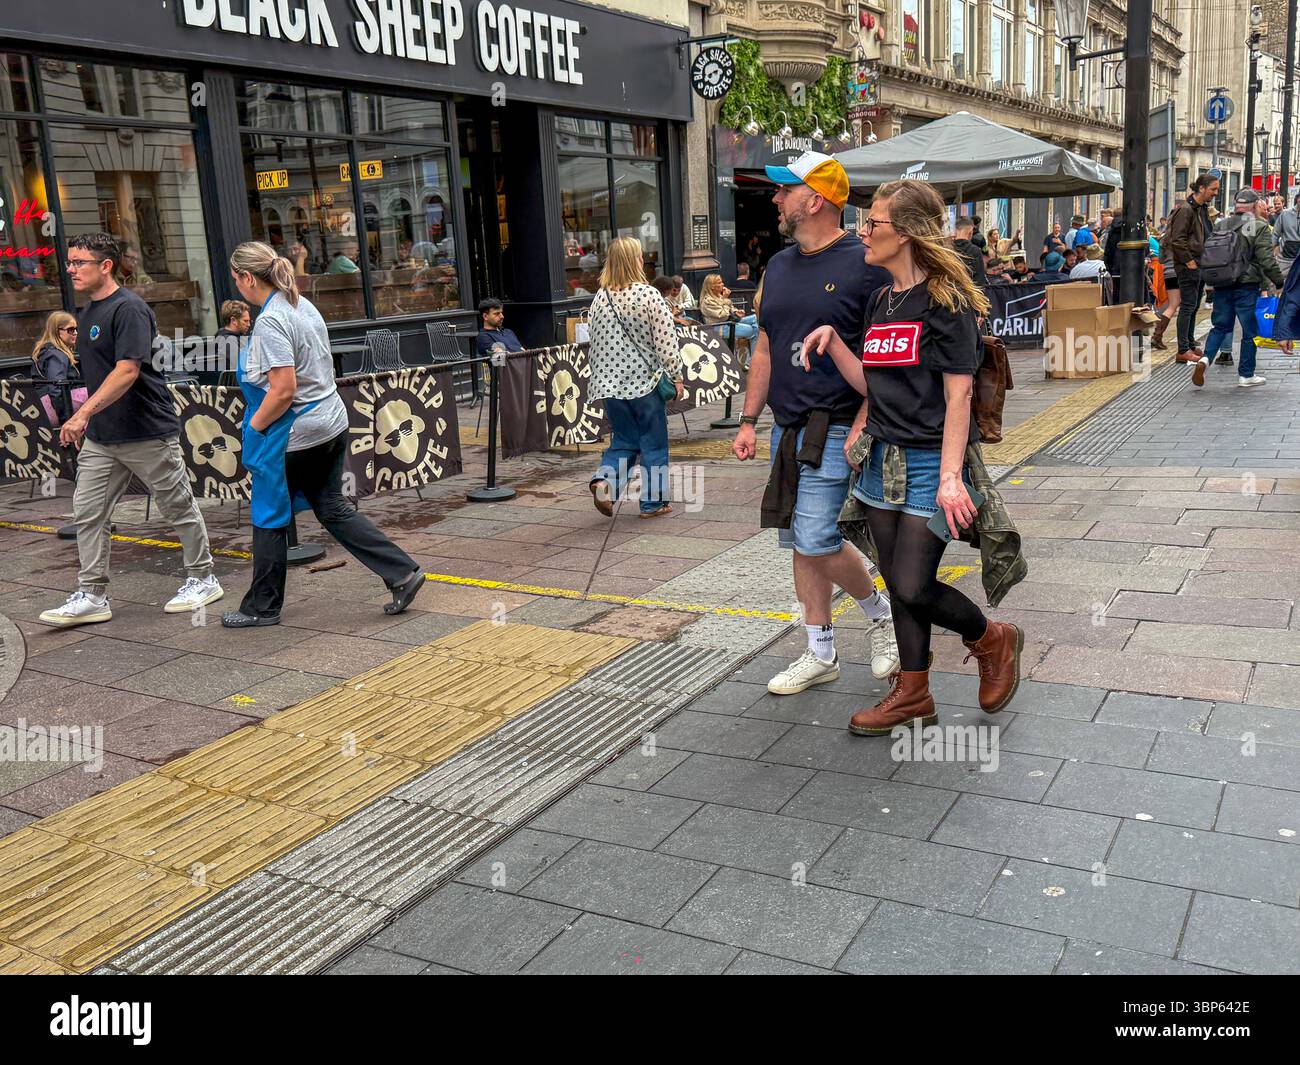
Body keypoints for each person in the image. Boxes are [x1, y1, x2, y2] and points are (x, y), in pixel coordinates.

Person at [801, 178, 1024, 734]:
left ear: (903, 234)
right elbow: (874, 387)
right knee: (899, 577)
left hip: (930, 463)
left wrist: (951, 478)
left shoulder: (945, 303)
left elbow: (960, 396)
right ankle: (914, 691)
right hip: (882, 462)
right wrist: (835, 341)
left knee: (912, 584)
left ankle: (989, 637)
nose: (862, 232)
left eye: (871, 224)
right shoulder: (883, 299)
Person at [730, 149, 900, 691]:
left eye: (785, 190)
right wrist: (748, 419)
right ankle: (819, 650)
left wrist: (866, 420)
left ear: (816, 199)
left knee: (816, 535)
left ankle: (881, 615)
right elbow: (765, 347)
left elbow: (884, 358)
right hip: (788, 428)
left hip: (839, 423)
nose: (775, 198)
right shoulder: (778, 266)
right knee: (798, 540)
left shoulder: (864, 263)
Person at [220, 241, 425, 627]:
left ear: (248, 277)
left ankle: (262, 607)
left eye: (235, 279)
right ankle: (402, 572)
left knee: (268, 517)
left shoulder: (269, 321)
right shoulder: (300, 303)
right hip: (330, 420)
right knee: (330, 505)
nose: (236, 287)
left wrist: (255, 426)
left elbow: (283, 389)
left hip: (295, 431)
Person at [38, 233, 223, 628]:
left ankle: (203, 577)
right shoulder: (86, 313)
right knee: (88, 513)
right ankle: (92, 594)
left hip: (145, 430)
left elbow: (127, 371)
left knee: (177, 506)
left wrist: (80, 414)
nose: (70, 269)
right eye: (69, 262)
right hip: (104, 437)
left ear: (105, 265)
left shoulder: (130, 309)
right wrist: (91, 418)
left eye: (79, 262)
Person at [587, 236, 684, 519]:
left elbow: (595, 343)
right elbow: (666, 343)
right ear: (635, 260)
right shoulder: (649, 295)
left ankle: (604, 481)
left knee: (623, 440)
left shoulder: (600, 298)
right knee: (653, 442)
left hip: (609, 384)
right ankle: (653, 503)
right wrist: (677, 377)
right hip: (645, 383)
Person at [1190, 188, 1284, 390]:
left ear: (1236, 205)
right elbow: (1266, 259)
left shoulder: (1221, 224)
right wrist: (1279, 281)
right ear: (1254, 206)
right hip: (1246, 284)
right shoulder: (1258, 225)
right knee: (1249, 331)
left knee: (1220, 326)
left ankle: (1205, 359)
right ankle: (1246, 374)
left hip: (1222, 282)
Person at [1167, 172, 1221, 363]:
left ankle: (1189, 343)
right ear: (1202, 188)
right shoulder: (1187, 209)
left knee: (1195, 304)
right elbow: (1178, 239)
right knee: (1188, 306)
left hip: (1199, 263)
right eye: (1213, 189)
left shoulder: (1200, 208)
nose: (1215, 193)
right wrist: (1189, 261)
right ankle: (1183, 350)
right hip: (1189, 265)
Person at [31, 311, 80, 424]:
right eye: (70, 330)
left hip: (43, 406)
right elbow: (56, 388)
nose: (75, 333)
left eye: (76, 329)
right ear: (57, 331)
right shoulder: (56, 354)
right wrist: (66, 421)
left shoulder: (50, 351)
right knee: (97, 396)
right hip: (51, 409)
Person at [699, 273, 758, 342]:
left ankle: (749, 350)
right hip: (718, 327)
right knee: (752, 330)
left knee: (756, 318)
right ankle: (751, 351)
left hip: (729, 322)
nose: (723, 284)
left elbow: (730, 308)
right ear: (712, 286)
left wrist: (736, 312)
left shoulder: (719, 296)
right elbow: (723, 316)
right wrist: (725, 299)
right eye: (719, 283)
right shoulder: (707, 301)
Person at [953, 216, 987, 289]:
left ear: (955, 231)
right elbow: (979, 280)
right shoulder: (975, 251)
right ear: (971, 233)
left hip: (948, 295)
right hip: (969, 294)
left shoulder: (946, 249)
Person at [1272, 192, 1300, 277]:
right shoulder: (1285, 214)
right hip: (1286, 259)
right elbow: (1275, 234)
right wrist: (1273, 250)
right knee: (1284, 285)